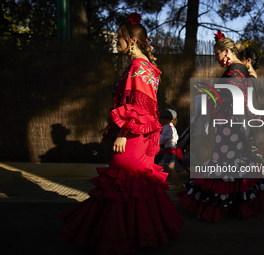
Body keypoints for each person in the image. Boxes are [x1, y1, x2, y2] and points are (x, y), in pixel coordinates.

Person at [58, 13, 184, 255]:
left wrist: (123, 133)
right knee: (136, 185)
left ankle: (120, 234)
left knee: (121, 182)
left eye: (120, 38)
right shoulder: (147, 66)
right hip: (145, 134)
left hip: (134, 135)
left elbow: (137, 106)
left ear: (133, 41)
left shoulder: (138, 67)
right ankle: (140, 232)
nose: (116, 41)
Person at [177, 30, 264, 222]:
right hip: (234, 126)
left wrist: (210, 100)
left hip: (230, 126)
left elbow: (233, 100)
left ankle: (216, 209)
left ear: (226, 51)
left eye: (217, 54)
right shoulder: (242, 70)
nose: (216, 58)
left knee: (222, 164)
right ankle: (239, 207)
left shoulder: (235, 70)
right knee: (233, 165)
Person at [159, 109, 182, 190]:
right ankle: (161, 183)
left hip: (169, 151)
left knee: (169, 169)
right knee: (163, 167)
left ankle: (176, 184)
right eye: (162, 118)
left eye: (165, 118)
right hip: (169, 150)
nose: (162, 120)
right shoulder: (171, 127)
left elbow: (161, 140)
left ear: (171, 119)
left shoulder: (168, 128)